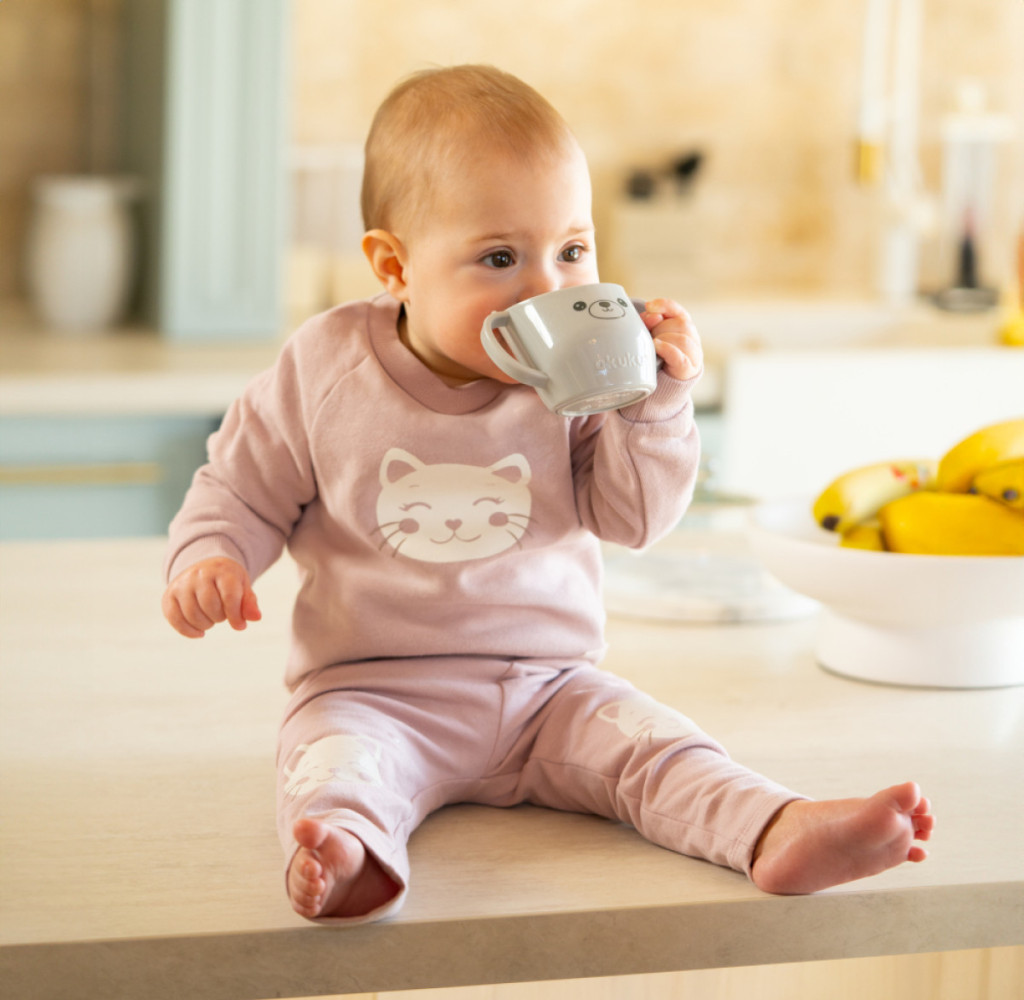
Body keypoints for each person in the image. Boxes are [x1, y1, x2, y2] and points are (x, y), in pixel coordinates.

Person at [162, 65, 934, 923]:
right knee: (333, 767)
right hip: (371, 692)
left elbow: (635, 522)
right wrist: (212, 555)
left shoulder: (578, 377)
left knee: (660, 748)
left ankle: (774, 826)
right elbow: (240, 487)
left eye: (571, 251)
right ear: (395, 266)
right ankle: (349, 851)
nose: (549, 289)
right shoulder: (323, 366)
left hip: (549, 689)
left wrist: (654, 406)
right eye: (500, 258)